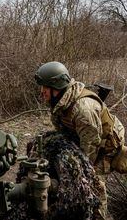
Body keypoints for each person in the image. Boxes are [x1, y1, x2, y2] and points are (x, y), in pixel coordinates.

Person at [34, 61, 125, 219]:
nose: (42, 92)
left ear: (56, 87)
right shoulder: (60, 101)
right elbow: (63, 131)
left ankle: (98, 215)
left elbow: (90, 148)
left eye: (45, 88)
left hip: (104, 145)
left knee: (92, 185)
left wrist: (77, 173)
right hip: (85, 137)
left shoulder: (83, 110)